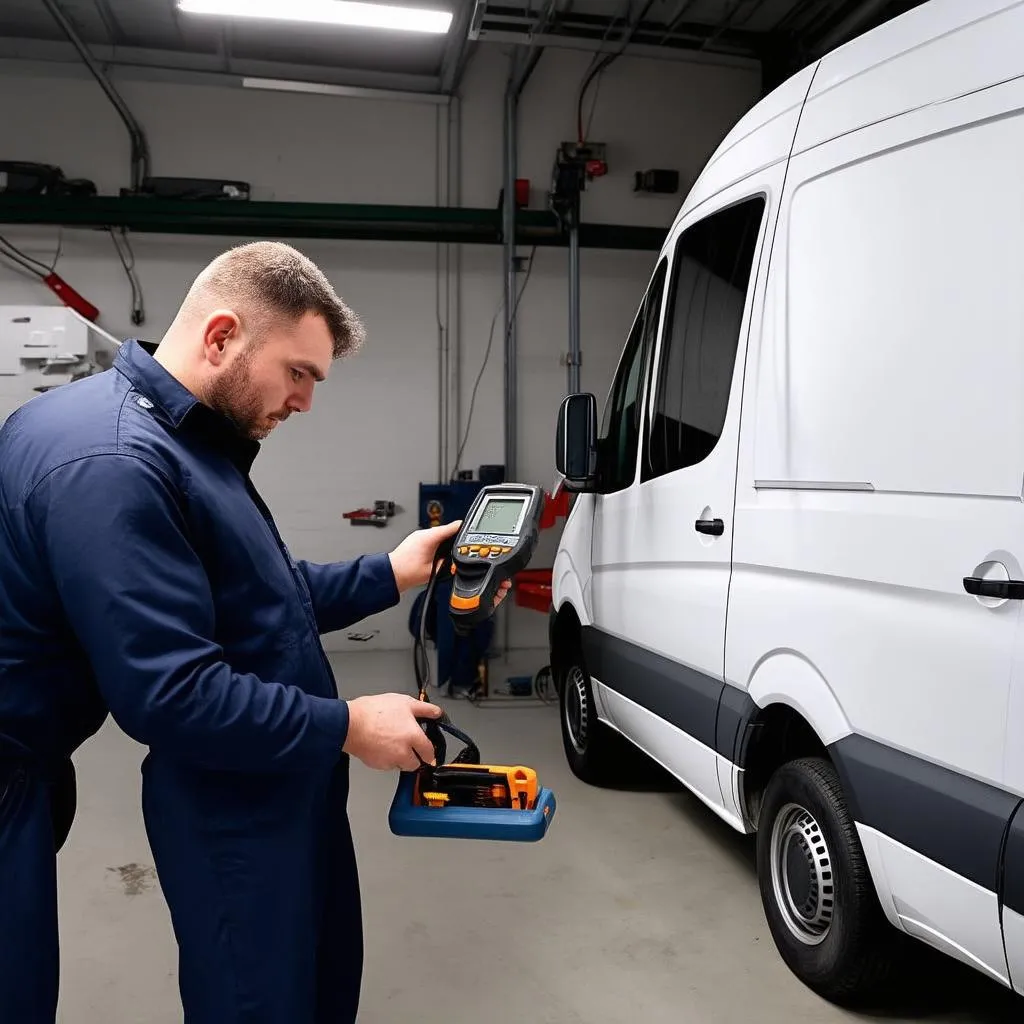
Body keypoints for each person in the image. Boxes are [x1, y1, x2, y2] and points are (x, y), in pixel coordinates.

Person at [0, 240, 508, 1023]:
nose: (305, 401)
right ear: (221, 336)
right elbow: (171, 694)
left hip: (266, 778)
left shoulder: (176, 441)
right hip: (182, 791)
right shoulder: (116, 464)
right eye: (298, 372)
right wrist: (347, 724)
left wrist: (392, 572)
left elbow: (256, 597)